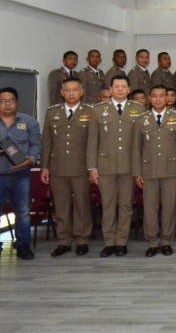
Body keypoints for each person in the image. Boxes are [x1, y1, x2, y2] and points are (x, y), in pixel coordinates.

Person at [87, 75, 145, 257]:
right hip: (106, 166)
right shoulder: (98, 110)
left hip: (129, 166)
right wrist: (92, 168)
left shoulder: (139, 109)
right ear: (110, 90)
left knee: (126, 205)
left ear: (129, 89)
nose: (120, 89)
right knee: (108, 205)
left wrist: (140, 169)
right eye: (116, 86)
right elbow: (92, 141)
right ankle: (109, 242)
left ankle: (121, 241)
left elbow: (143, 142)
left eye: (123, 86)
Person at [131, 85, 176, 257]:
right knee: (150, 207)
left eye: (162, 96)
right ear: (149, 99)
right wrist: (137, 172)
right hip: (149, 170)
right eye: (154, 96)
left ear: (167, 98)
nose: (158, 99)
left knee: (169, 207)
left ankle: (167, 241)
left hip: (171, 170)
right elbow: (136, 149)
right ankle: (153, 242)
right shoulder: (141, 119)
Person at [41, 78, 92, 257]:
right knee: (61, 206)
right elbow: (47, 142)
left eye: (75, 90)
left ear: (81, 92)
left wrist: (92, 167)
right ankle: (64, 240)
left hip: (81, 168)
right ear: (62, 92)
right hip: (57, 168)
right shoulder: (52, 112)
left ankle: (82, 239)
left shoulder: (90, 112)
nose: (71, 93)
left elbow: (93, 142)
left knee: (81, 205)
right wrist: (44, 167)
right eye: (67, 90)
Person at [0, 86, 41, 260]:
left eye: (11, 100)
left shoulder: (29, 121)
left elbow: (36, 145)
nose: (7, 104)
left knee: (23, 211)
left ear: (17, 102)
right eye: (3, 101)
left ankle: (23, 245)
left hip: (21, 174)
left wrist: (30, 160)